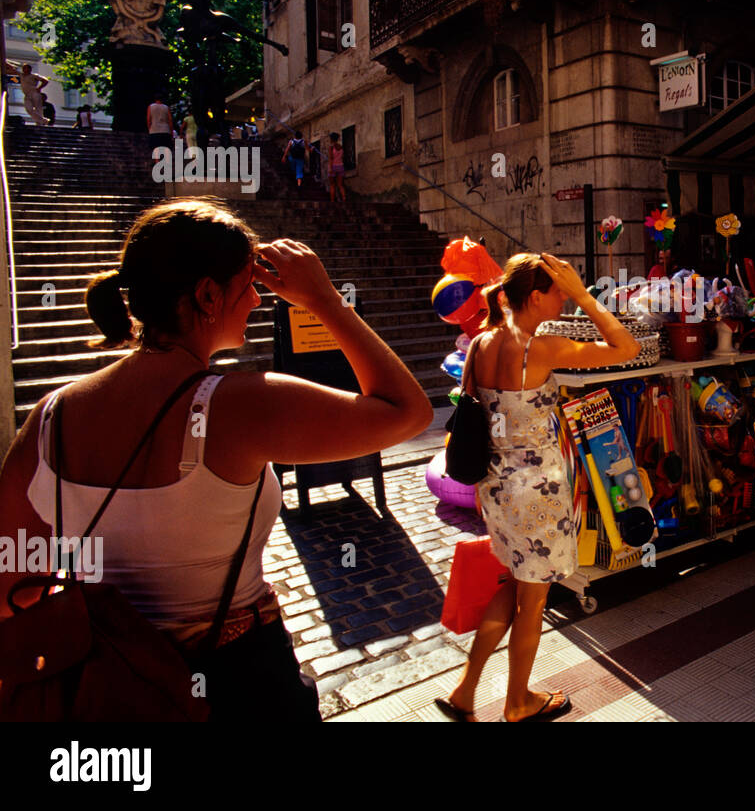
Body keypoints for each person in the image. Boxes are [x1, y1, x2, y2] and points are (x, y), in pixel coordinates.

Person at [0, 199, 433, 721]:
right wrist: (324, 301)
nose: (256, 299)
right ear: (207, 295)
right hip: (238, 680)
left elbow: (9, 586)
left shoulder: (52, 414)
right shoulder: (237, 404)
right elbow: (407, 412)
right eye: (248, 284)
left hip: (107, 682)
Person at [436, 253, 638, 722]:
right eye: (559, 291)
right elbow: (625, 347)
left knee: (516, 584)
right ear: (534, 298)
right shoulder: (541, 348)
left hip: (496, 489)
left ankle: (466, 691)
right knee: (533, 603)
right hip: (537, 495)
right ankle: (518, 703)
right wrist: (589, 298)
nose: (565, 297)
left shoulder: (482, 342)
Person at [327, 132, 346, 202]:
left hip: (333, 167)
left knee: (332, 185)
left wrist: (330, 168)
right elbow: (343, 157)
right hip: (341, 166)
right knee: (340, 185)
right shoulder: (341, 147)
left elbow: (331, 158)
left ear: (331, 139)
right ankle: (344, 198)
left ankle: (332, 201)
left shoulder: (331, 147)